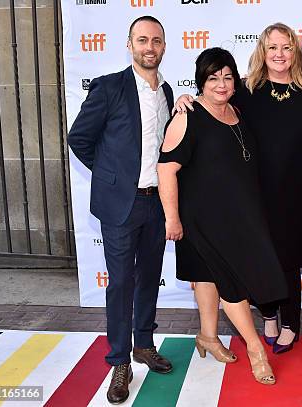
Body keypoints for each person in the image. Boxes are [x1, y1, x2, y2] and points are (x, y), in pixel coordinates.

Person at [174, 23, 302, 355]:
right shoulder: (245, 90)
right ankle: (268, 316)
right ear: (262, 52)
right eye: (272, 47)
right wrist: (185, 98)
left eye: (286, 47)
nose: (279, 54)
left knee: (290, 259)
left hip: (296, 191)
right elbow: (212, 95)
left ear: (295, 51)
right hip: (253, 193)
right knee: (258, 255)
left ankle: (291, 323)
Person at [157, 47, 287, 385]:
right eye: (213, 78)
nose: (221, 84)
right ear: (201, 80)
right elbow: (166, 169)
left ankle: (208, 337)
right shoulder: (187, 115)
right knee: (231, 284)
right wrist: (172, 218)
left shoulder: (237, 111)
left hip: (236, 215)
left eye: (227, 77)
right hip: (201, 218)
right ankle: (257, 349)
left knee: (206, 275)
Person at [68, 16, 173, 404]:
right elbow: (79, 138)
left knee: (149, 277)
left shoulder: (167, 91)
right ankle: (119, 361)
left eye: (156, 41)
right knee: (121, 284)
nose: (150, 47)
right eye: (142, 40)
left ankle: (143, 345)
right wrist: (112, 175)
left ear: (164, 47)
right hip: (120, 205)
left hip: (157, 203)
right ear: (129, 45)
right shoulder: (109, 87)